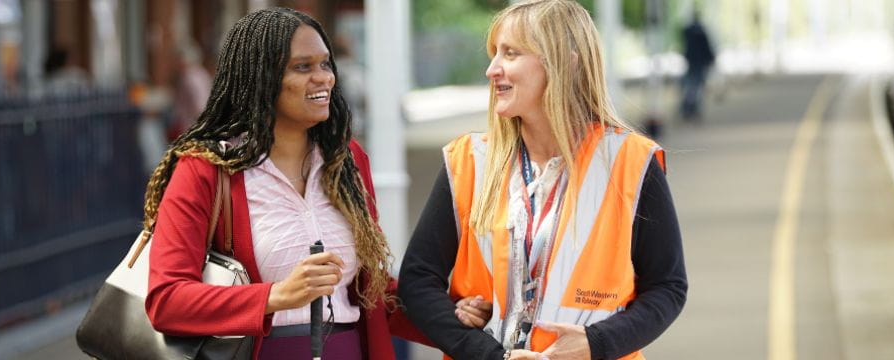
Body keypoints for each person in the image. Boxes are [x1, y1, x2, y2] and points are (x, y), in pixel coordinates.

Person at [398, 1, 689, 359]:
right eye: (494, 54)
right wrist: (485, 349)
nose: (492, 69)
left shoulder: (631, 161)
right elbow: (417, 281)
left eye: (511, 53)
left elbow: (667, 287)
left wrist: (596, 343)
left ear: (564, 62)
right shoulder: (469, 160)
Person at [142, 8, 434, 359]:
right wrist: (276, 296)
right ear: (260, 78)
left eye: (326, 65)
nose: (324, 78)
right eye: (303, 67)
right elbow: (167, 300)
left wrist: (456, 320)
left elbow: (373, 293)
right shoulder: (205, 170)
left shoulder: (347, 160)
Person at [680, 11, 715, 120]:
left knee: (690, 85)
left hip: (691, 61)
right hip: (700, 62)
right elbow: (707, 47)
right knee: (697, 86)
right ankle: (693, 108)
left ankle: (687, 108)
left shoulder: (687, 31)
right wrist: (711, 59)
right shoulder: (702, 32)